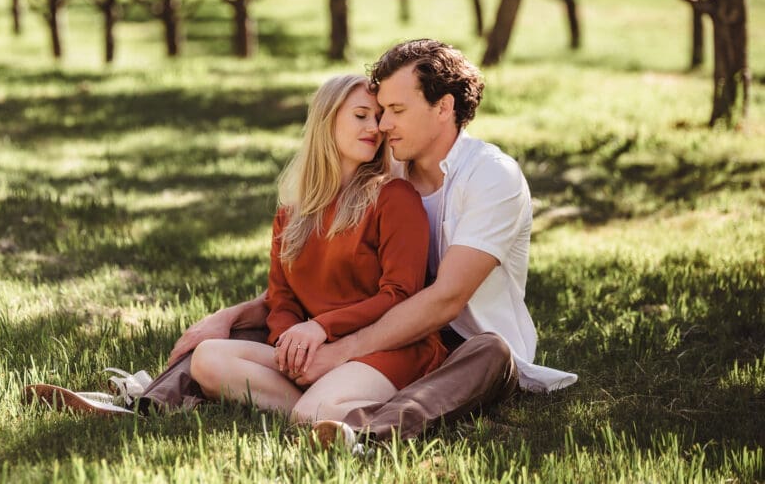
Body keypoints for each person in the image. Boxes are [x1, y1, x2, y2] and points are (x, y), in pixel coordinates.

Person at [135, 38, 575, 443]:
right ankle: (143, 402)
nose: (382, 124)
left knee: (490, 351)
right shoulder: (384, 172)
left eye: (395, 110)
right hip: (370, 326)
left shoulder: (489, 176)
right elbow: (300, 285)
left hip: (459, 344)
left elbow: (443, 300)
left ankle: (365, 428)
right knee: (243, 332)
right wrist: (229, 316)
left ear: (443, 108)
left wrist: (334, 348)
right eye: (376, 111)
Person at [188, 74, 447, 423]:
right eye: (361, 115)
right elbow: (282, 300)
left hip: (388, 350)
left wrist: (321, 328)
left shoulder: (394, 198)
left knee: (314, 410)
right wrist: (290, 348)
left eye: (379, 117)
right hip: (318, 354)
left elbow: (401, 293)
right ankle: (322, 409)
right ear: (327, 119)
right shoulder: (290, 214)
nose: (375, 127)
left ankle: (329, 412)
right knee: (208, 359)